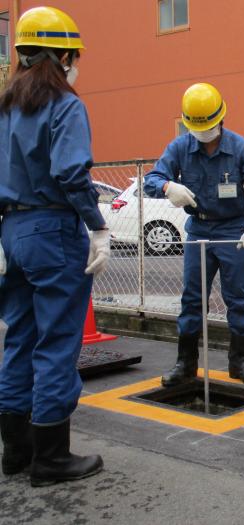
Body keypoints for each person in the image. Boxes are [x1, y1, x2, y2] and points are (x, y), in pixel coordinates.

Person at [0, 6, 109, 486]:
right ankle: (51, 458)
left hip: (12, 232)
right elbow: (69, 173)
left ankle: (15, 452)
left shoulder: (4, 107)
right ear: (63, 53)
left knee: (19, 337)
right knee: (57, 342)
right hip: (53, 231)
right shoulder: (65, 105)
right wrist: (98, 225)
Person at [144, 83, 244, 388]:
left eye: (208, 126)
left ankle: (239, 362)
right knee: (192, 299)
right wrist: (167, 187)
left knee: (238, 297)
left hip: (234, 230)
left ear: (221, 118)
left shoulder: (241, 149)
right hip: (199, 230)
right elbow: (152, 178)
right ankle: (186, 364)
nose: (202, 133)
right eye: (196, 128)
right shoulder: (179, 148)